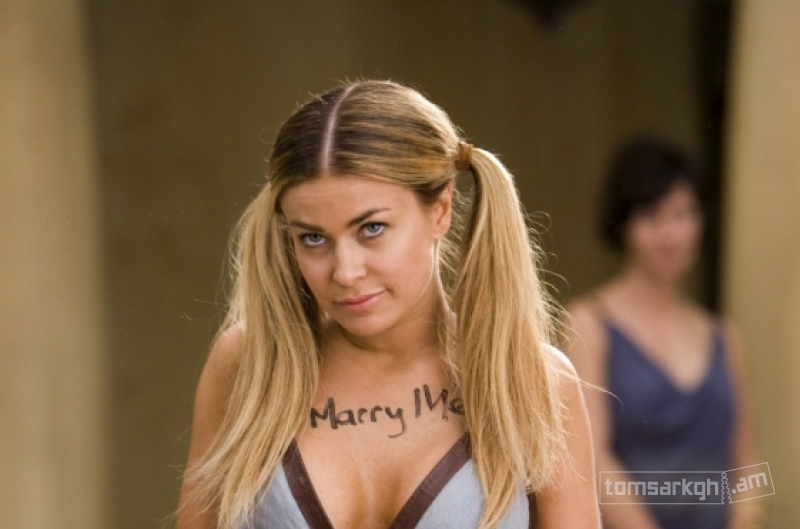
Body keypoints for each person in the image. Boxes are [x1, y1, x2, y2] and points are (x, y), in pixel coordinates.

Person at [176, 80, 600, 529]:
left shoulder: (533, 380)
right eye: (313, 238)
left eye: (371, 229)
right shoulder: (250, 364)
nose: (345, 272)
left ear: (441, 210)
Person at [564, 136, 764, 529]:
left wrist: (746, 520)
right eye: (652, 217)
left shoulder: (725, 336)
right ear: (624, 223)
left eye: (683, 214)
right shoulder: (588, 323)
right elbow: (591, 459)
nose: (671, 234)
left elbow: (748, 462)